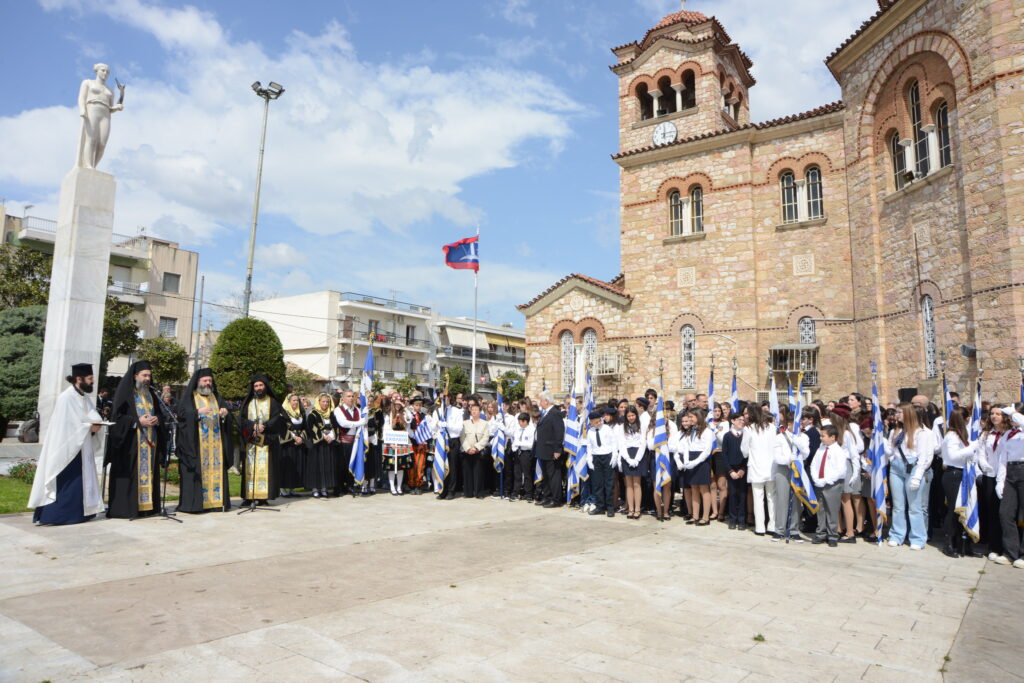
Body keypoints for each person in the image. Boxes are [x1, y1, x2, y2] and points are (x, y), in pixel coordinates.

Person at [28, 363, 104, 525]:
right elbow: (66, 426)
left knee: (81, 481)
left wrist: (96, 425)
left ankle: (80, 514)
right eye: (90, 378)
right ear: (79, 379)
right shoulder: (66, 398)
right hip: (66, 448)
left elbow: (91, 417)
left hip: (81, 447)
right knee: (67, 481)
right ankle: (56, 516)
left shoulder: (84, 397)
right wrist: (89, 427)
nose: (92, 381)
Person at [105, 360, 166, 519]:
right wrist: (137, 422)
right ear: (135, 376)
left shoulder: (151, 395)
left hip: (149, 444)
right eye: (144, 375)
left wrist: (157, 420)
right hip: (130, 444)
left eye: (149, 376)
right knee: (131, 476)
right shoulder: (126, 394)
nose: (147, 379)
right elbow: (117, 418)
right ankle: (128, 509)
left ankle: (147, 508)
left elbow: (160, 414)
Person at [175, 368, 234, 513]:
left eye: (210, 381)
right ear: (198, 382)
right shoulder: (190, 397)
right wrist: (197, 413)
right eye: (205, 380)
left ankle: (216, 503)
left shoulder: (216, 397)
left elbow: (226, 414)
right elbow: (181, 415)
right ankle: (197, 505)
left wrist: (225, 413)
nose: (208, 383)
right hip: (197, 444)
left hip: (216, 446)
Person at [885, 404, 935, 550]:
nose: (897, 414)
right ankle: (896, 535)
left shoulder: (921, 433)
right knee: (898, 506)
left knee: (914, 507)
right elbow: (890, 451)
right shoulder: (896, 431)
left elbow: (924, 457)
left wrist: (917, 477)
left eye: (900, 412)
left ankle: (918, 538)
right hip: (896, 467)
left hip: (913, 467)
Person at [939, 408, 981, 558]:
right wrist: (972, 448)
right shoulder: (952, 436)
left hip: (964, 473)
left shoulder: (961, 434)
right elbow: (953, 456)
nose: (969, 420)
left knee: (966, 509)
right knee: (954, 509)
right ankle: (948, 544)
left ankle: (964, 544)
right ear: (964, 419)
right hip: (953, 474)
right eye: (968, 418)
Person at [239, 375, 283, 505]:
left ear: (266, 386)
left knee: (266, 469)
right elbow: (241, 419)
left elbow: (277, 418)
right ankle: (248, 497)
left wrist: (265, 426)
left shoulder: (272, 402)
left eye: (261, 385)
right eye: (256, 386)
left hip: (267, 441)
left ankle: (263, 498)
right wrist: (252, 426)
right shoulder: (248, 402)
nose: (259, 388)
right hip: (251, 441)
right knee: (250, 469)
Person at [76, 62, 124, 169]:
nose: (105, 73)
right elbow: (81, 97)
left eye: (107, 72)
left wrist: (116, 108)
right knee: (91, 139)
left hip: (105, 113)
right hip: (92, 108)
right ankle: (88, 165)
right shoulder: (88, 83)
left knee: (102, 144)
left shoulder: (110, 91)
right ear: (97, 71)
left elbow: (110, 108)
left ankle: (93, 166)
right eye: (103, 70)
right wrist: (82, 109)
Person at [993, 404, 1024, 568]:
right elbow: (1002, 459)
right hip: (1011, 472)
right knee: (1005, 513)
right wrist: (1000, 482)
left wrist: (1013, 412)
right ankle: (1010, 552)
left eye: (1014, 416)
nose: (1010, 419)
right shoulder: (1008, 434)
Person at [771, 409, 809, 543]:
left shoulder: (803, 437)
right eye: (797, 423)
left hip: (798, 471)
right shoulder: (780, 437)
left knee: (797, 500)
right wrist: (789, 459)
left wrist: (799, 445)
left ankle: (794, 530)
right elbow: (777, 457)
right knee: (782, 500)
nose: (800, 426)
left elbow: (806, 454)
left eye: (801, 423)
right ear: (789, 423)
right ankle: (779, 529)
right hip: (784, 470)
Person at [741, 404, 776, 536]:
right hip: (771, 466)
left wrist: (749, 452)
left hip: (756, 466)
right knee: (771, 497)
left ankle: (760, 527)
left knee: (758, 497)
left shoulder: (749, 429)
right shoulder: (772, 427)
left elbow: (744, 450)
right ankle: (772, 525)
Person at [673, 410, 713, 524]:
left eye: (691, 417)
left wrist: (695, 462)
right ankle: (695, 515)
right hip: (690, 459)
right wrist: (686, 461)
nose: (690, 419)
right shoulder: (691, 431)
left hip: (701, 461)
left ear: (698, 417)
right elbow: (686, 446)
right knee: (694, 488)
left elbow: (707, 450)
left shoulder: (707, 431)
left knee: (704, 489)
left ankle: (705, 517)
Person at [810, 425, 845, 547]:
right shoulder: (821, 449)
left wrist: (826, 480)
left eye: (823, 436)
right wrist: (816, 478)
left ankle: (832, 535)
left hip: (832, 484)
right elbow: (814, 464)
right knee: (820, 510)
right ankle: (821, 533)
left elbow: (840, 470)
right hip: (819, 483)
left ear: (832, 437)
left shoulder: (838, 451)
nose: (821, 438)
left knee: (832, 510)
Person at [534, 390, 565, 508]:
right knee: (546, 475)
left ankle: (556, 499)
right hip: (543, 449)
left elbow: (559, 432)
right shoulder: (545, 413)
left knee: (554, 475)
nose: (540, 403)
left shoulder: (555, 413)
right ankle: (547, 497)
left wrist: (557, 449)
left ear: (546, 401)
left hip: (551, 449)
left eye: (541, 400)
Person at [334, 390, 367, 494]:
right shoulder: (338, 410)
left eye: (352, 396)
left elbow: (363, 422)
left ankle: (350, 485)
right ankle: (339, 487)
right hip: (342, 441)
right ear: (343, 398)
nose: (351, 398)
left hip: (354, 442)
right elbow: (343, 423)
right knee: (341, 465)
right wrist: (359, 423)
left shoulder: (357, 410)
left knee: (351, 464)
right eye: (348, 396)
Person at [616, 405, 646, 519]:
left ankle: (637, 509)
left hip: (638, 454)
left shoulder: (642, 426)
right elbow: (621, 444)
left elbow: (643, 443)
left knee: (637, 484)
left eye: (633, 415)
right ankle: (631, 509)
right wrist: (628, 458)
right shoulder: (621, 427)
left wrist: (637, 459)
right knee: (628, 484)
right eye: (629, 416)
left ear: (636, 415)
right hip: (627, 454)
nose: (631, 417)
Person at [306, 393, 338, 498]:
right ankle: (315, 489)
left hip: (328, 444)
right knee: (316, 467)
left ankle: (324, 488)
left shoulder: (331, 414)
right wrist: (323, 436)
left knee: (326, 466)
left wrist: (331, 436)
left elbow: (335, 427)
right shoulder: (313, 414)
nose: (325, 404)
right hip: (317, 445)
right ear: (318, 402)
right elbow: (311, 428)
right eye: (323, 401)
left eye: (327, 402)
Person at [587, 410, 618, 517]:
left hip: (607, 456)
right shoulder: (590, 431)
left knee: (609, 483)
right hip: (596, 457)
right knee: (597, 484)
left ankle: (610, 508)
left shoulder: (607, 429)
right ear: (591, 422)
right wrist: (589, 460)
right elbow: (589, 447)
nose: (598, 423)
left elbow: (614, 443)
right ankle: (600, 506)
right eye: (595, 422)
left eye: (599, 421)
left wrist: (614, 456)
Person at [278, 393, 308, 497]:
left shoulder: (301, 413)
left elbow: (305, 427)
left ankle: (292, 488)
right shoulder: (283, 414)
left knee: (296, 466)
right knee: (286, 466)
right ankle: (282, 488)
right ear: (288, 402)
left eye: (297, 400)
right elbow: (282, 429)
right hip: (287, 444)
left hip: (298, 443)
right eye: (293, 400)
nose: (296, 402)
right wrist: (294, 437)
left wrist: (301, 438)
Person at [722, 411, 747, 530]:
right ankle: (732, 519)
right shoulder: (727, 436)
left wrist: (743, 469)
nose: (742, 422)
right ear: (733, 421)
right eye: (739, 420)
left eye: (743, 420)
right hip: (731, 470)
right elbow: (724, 455)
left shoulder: (746, 435)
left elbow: (748, 453)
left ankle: (742, 519)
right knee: (732, 494)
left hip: (743, 469)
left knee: (742, 494)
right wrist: (730, 471)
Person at [382, 396, 413, 495]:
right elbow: (386, 429)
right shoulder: (389, 415)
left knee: (401, 466)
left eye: (399, 404)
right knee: (391, 466)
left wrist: (405, 406)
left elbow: (410, 418)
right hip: (392, 441)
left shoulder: (404, 413)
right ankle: (392, 487)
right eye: (396, 404)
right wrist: (390, 442)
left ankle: (399, 487)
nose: (398, 406)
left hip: (402, 441)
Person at [461, 401, 490, 499]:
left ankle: (479, 493)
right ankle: (468, 492)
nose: (474, 412)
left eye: (476, 410)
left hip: (478, 451)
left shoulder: (484, 423)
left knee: (479, 473)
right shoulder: (465, 423)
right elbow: (462, 437)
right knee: (467, 472)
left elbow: (486, 437)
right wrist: (468, 448)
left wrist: (477, 447)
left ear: (479, 411)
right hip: (467, 451)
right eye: (472, 410)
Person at [510, 411, 535, 502]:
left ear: (525, 421)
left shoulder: (531, 430)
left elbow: (530, 444)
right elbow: (515, 440)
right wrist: (514, 447)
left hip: (526, 453)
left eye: (520, 421)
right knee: (517, 473)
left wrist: (520, 443)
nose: (519, 423)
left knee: (527, 473)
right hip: (518, 452)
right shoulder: (519, 430)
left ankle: (529, 494)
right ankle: (516, 492)